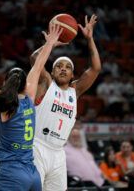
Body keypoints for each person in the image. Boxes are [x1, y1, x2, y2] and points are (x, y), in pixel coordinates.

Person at [0, 24, 62, 190]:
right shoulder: (30, 98)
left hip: (12, 174)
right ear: (25, 85)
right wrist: (49, 44)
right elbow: (38, 66)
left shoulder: (6, 105)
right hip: (33, 173)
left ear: (4, 83)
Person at [30, 14, 101, 191]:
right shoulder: (46, 83)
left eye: (67, 67)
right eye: (59, 66)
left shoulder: (74, 91)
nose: (63, 69)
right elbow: (34, 59)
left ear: (72, 75)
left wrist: (90, 39)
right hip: (37, 146)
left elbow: (95, 68)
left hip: (59, 152)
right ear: (52, 72)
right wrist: (50, 44)